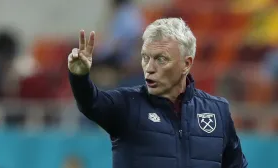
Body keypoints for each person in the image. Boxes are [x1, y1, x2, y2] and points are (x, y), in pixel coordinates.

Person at [68, 18, 248, 168]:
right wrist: (79, 76)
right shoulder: (127, 104)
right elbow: (90, 102)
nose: (149, 68)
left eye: (161, 59)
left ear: (186, 64)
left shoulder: (217, 111)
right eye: (145, 57)